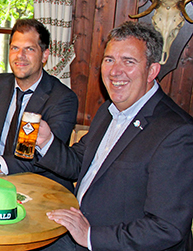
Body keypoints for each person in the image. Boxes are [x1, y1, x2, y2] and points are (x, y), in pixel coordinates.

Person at [36, 21, 193, 250]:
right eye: (109, 60)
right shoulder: (109, 111)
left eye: (128, 62)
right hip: (80, 230)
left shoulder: (177, 132)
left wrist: (90, 236)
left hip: (112, 242)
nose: (114, 71)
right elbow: (79, 162)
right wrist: (47, 141)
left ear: (152, 71)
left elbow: (166, 227)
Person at [0, 19, 78, 191]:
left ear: (44, 55)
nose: (20, 55)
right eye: (14, 48)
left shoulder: (63, 98)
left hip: (40, 185)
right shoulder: (0, 83)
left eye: (29, 49)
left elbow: (43, 157)